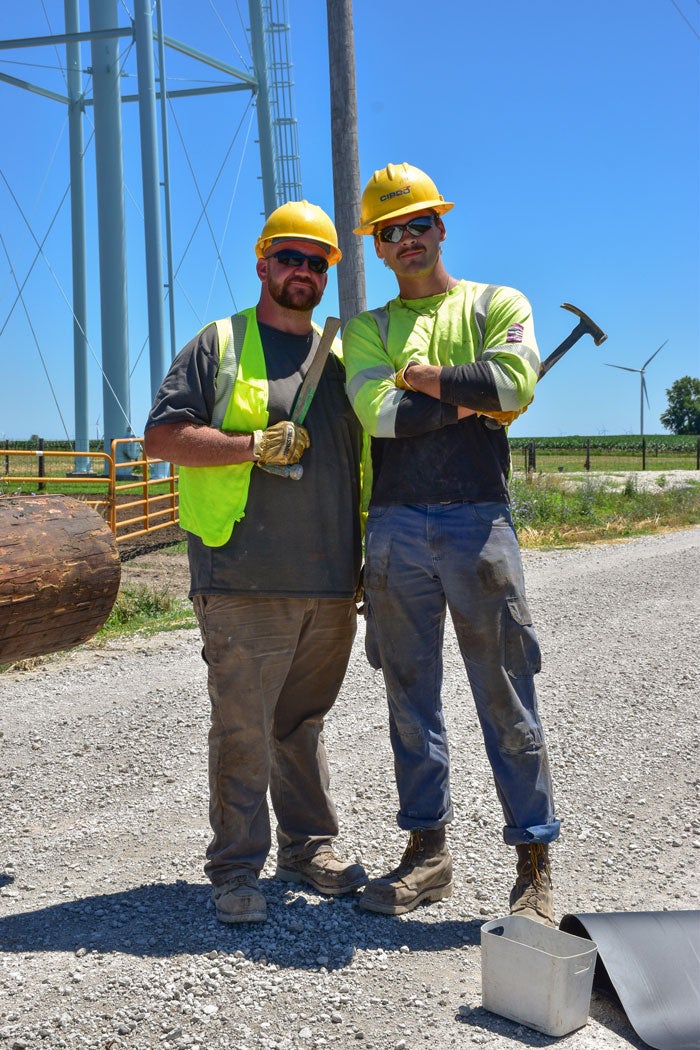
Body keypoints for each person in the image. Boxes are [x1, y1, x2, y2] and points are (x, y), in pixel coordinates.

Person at [342, 163, 560, 924]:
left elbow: (513, 387)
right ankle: (427, 853)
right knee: (410, 698)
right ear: (375, 245)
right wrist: (466, 397)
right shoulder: (365, 329)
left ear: (442, 225)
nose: (406, 239)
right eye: (389, 231)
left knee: (506, 694)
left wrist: (426, 377)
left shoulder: (498, 302)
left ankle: (533, 863)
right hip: (395, 525)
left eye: (418, 224)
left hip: (480, 520)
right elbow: (379, 417)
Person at [144, 200, 366, 924]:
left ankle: (310, 845)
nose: (302, 271)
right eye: (290, 257)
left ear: (327, 273)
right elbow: (163, 436)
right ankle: (236, 868)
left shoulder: (340, 360)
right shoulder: (219, 343)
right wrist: (251, 445)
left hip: (330, 581)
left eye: (316, 262)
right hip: (241, 575)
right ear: (263, 262)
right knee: (242, 725)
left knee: (302, 722)